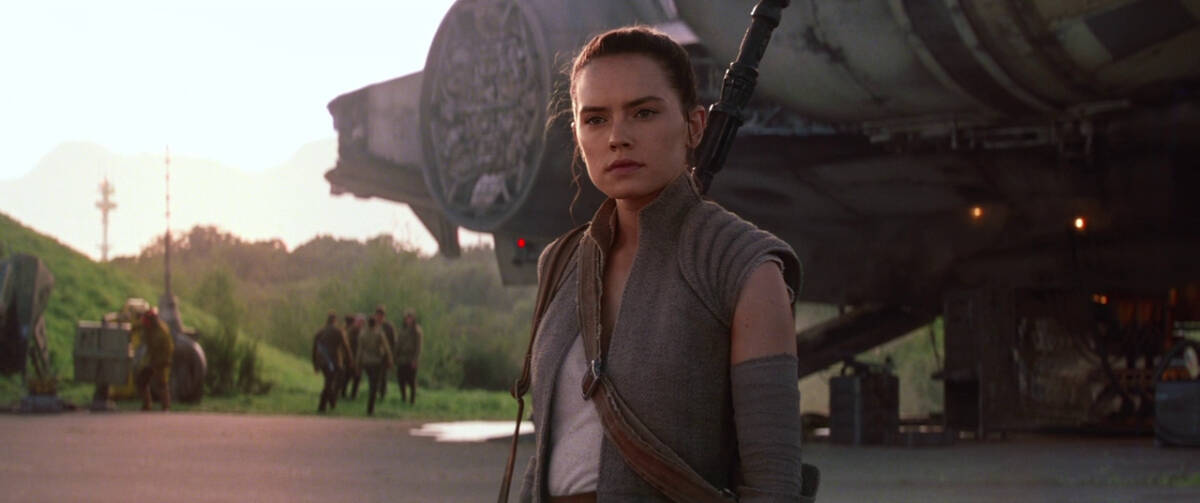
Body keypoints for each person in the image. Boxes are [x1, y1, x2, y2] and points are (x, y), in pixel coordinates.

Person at [518, 27, 804, 501]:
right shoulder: (561, 263)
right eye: (595, 119)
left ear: (695, 126)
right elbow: (547, 451)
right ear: (577, 134)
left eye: (644, 112)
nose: (617, 138)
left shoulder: (743, 265)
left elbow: (773, 480)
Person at [312, 311, 353, 413]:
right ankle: (325, 404)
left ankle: (328, 403)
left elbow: (314, 349)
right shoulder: (339, 331)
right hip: (333, 361)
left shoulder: (319, 332)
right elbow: (346, 347)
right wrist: (350, 360)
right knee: (333, 381)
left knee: (329, 381)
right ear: (335, 321)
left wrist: (315, 364)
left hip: (323, 361)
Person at [136, 309, 174, 411]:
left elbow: (168, 348)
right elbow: (141, 331)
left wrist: (164, 361)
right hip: (152, 360)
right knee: (142, 381)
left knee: (161, 383)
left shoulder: (161, 332)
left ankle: (166, 406)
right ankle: (147, 404)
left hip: (161, 361)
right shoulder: (149, 328)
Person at [356, 316, 393, 415]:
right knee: (374, 385)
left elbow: (359, 351)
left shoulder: (362, 334)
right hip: (377, 362)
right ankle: (370, 408)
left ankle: (370, 407)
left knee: (371, 383)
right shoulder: (379, 334)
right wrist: (390, 360)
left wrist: (357, 365)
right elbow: (386, 348)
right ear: (375, 324)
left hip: (366, 362)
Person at [392, 308, 423, 405]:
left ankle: (412, 400)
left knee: (411, 381)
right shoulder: (402, 330)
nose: (408, 320)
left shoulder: (417, 331)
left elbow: (418, 347)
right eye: (407, 318)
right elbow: (398, 345)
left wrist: (415, 360)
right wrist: (394, 357)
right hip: (402, 359)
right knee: (401, 380)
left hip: (411, 359)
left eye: (410, 318)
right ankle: (403, 398)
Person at [373, 305, 396, 400]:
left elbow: (393, 342)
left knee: (383, 376)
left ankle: (382, 394)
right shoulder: (372, 325)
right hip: (374, 355)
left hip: (385, 356)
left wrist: (391, 356)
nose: (379, 317)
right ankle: (374, 393)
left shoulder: (389, 327)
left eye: (381, 315)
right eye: (378, 314)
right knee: (375, 376)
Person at [341, 314, 364, 399]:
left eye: (362, 322)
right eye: (359, 322)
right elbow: (347, 344)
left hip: (358, 358)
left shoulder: (362, 332)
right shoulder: (351, 331)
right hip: (350, 357)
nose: (361, 324)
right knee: (347, 376)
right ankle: (343, 393)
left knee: (357, 377)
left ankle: (353, 395)